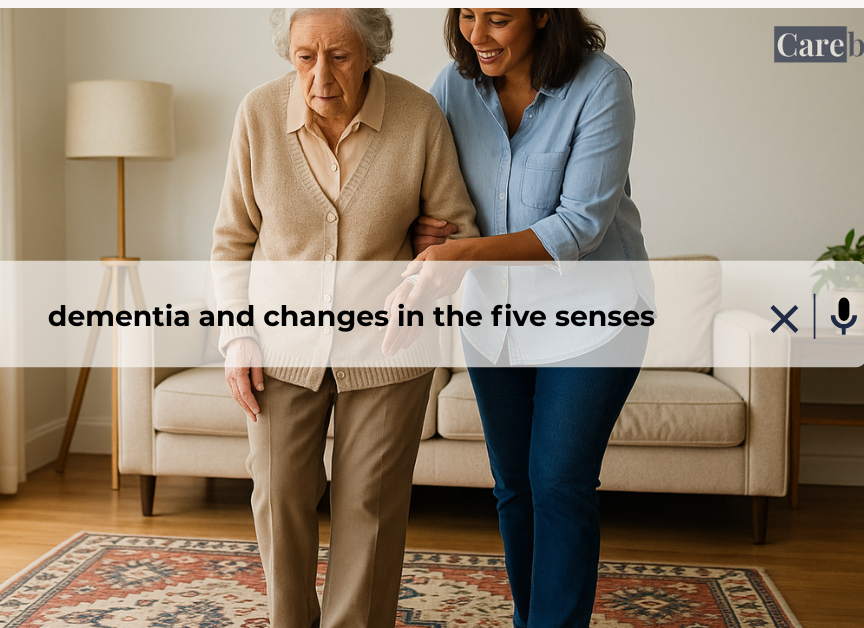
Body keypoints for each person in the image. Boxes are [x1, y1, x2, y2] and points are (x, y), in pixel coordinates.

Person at [211, 9, 478, 628]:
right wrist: (236, 338)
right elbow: (232, 241)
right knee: (279, 500)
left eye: (340, 56)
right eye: (305, 56)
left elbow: (459, 230)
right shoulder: (258, 114)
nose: (321, 76)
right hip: (279, 348)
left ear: (371, 53)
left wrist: (428, 263)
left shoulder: (417, 117)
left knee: (372, 508)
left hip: (388, 351)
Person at [401, 8, 653, 627]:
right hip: (496, 317)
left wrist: (459, 251)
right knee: (514, 488)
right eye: (466, 15)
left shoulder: (601, 85)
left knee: (559, 485)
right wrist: (420, 226)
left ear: (543, 15)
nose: (477, 35)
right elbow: (429, 189)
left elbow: (580, 224)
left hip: (594, 317)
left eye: (499, 19)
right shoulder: (452, 87)